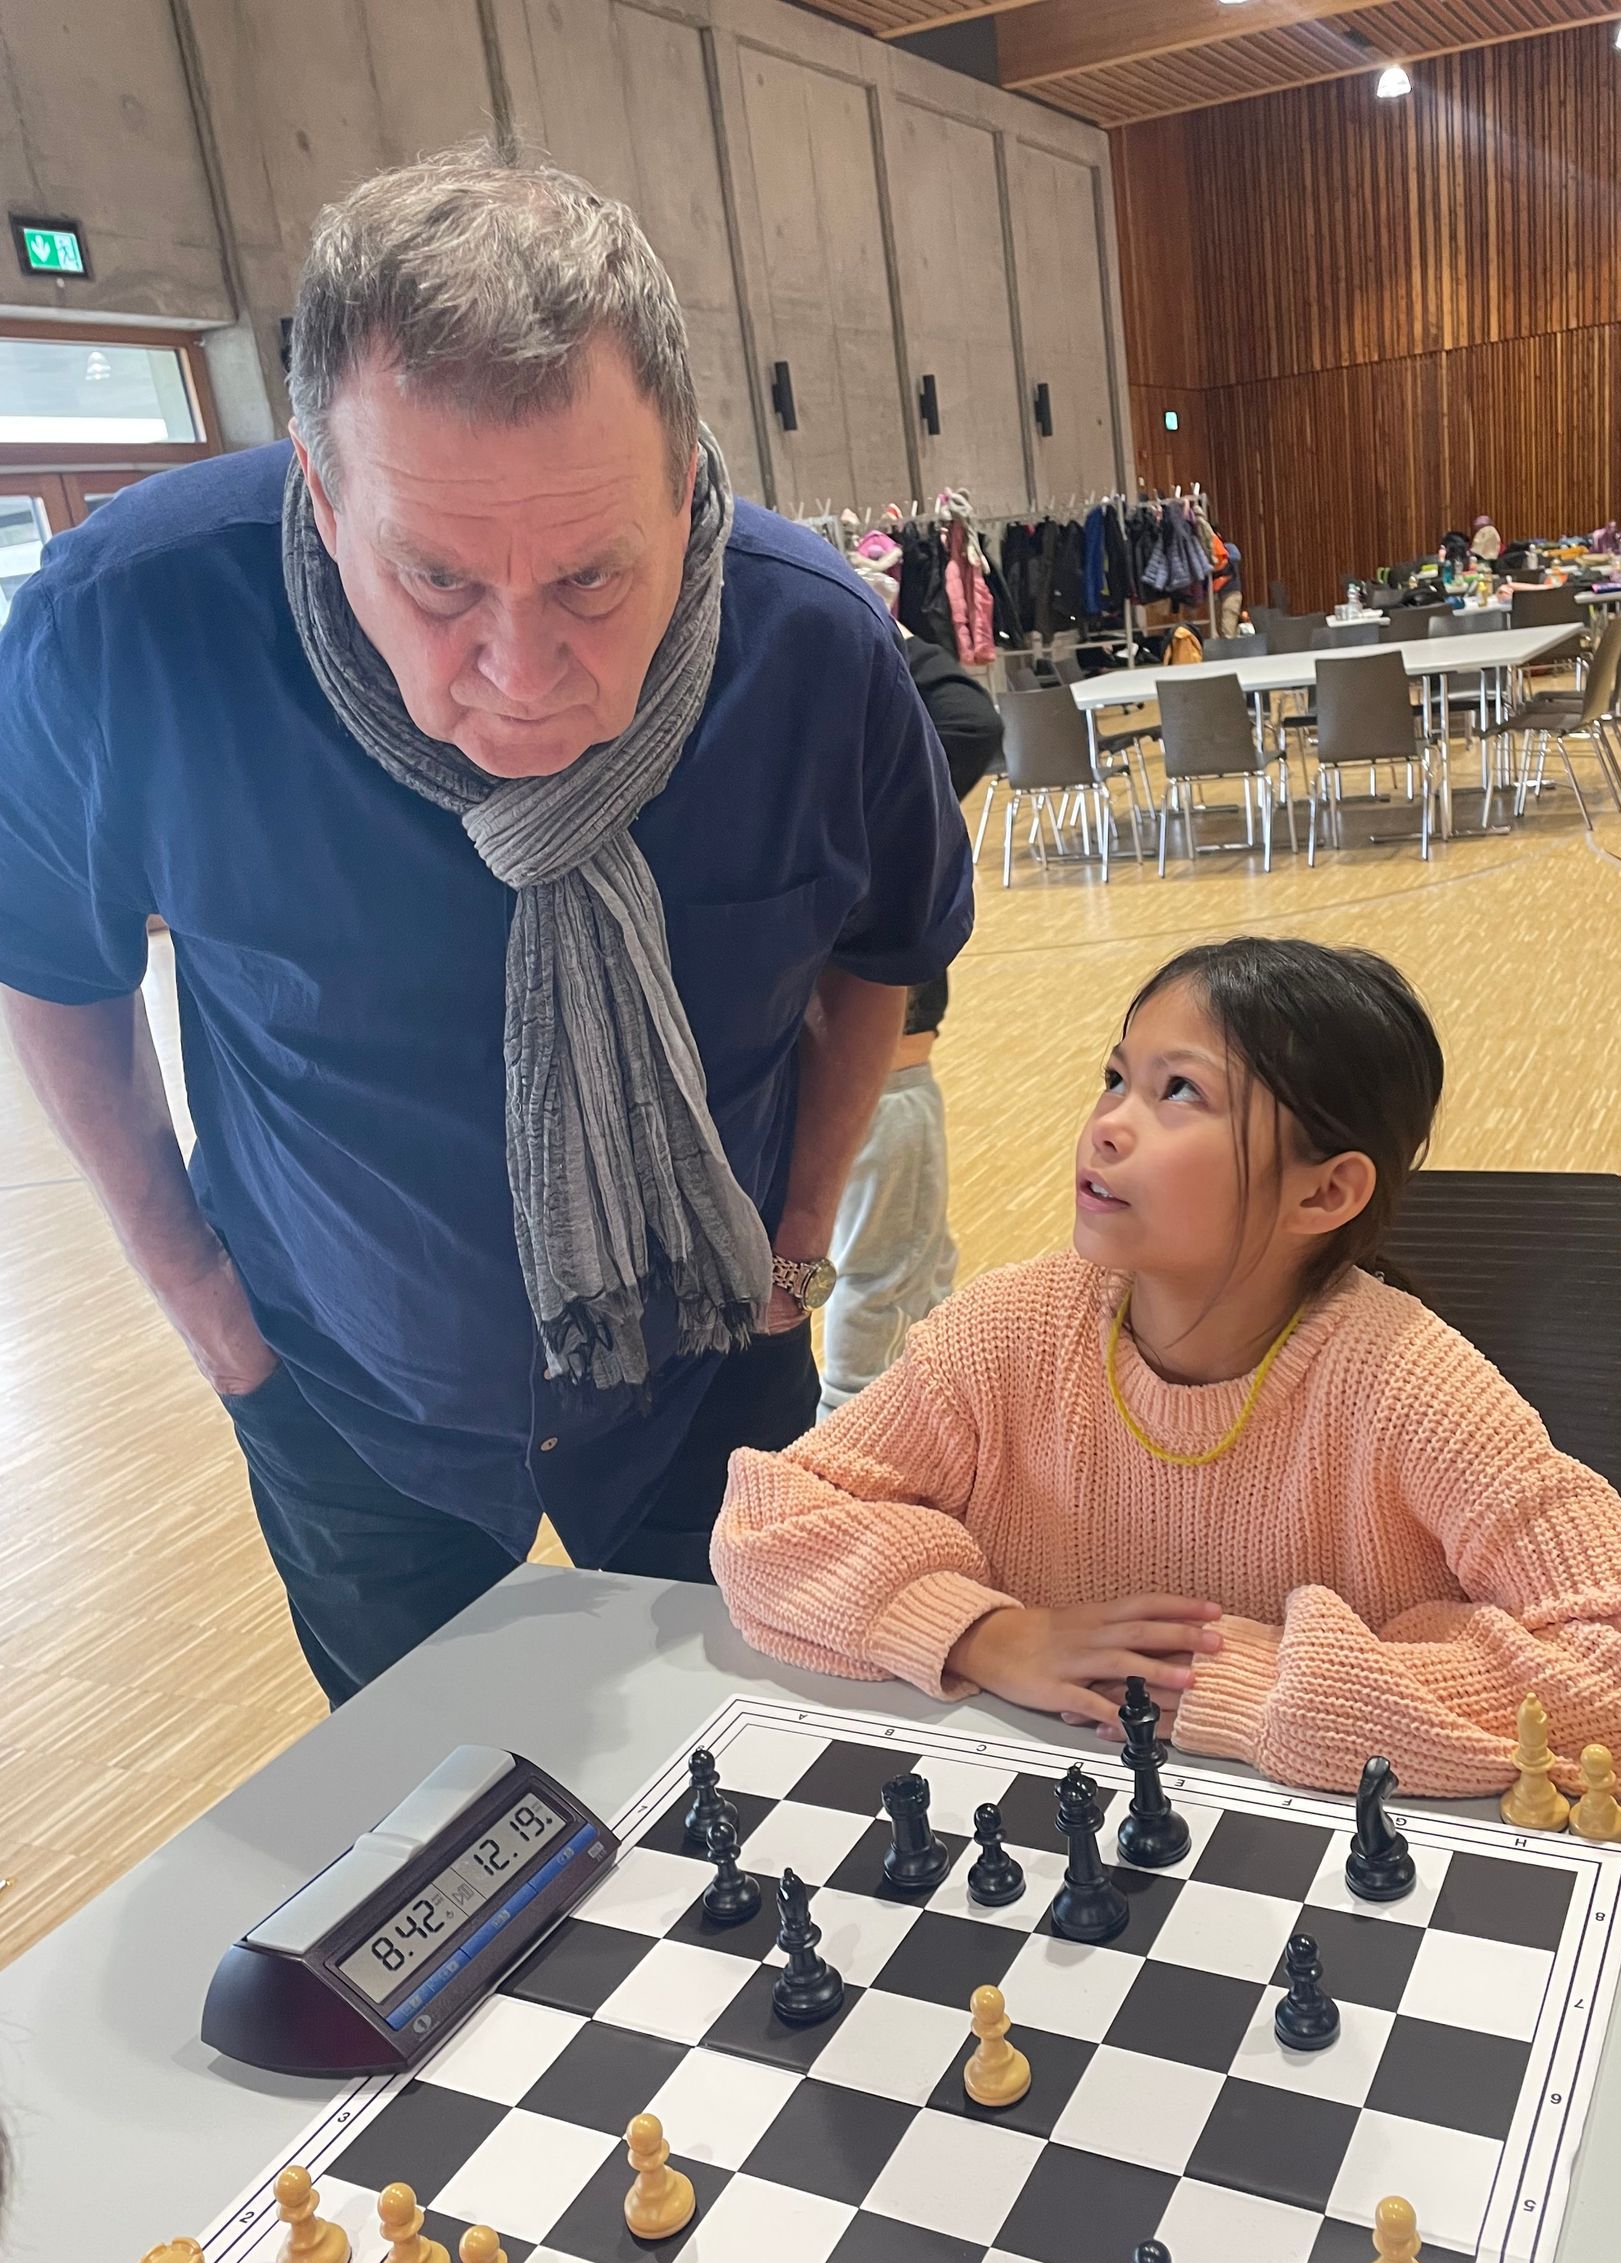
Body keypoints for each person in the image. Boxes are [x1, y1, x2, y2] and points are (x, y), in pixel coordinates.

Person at [0, 143, 971, 1708]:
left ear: (685, 486)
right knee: (442, 1815)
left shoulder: (817, 649)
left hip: (713, 1363)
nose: (520, 673)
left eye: (592, 579)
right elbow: (52, 962)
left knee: (751, 1773)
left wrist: (795, 1249)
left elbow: (887, 949)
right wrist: (204, 1310)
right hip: (342, 1398)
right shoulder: (125, 629)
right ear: (323, 500)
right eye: (437, 582)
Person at [712, 937, 1621, 1795]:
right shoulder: (1012, 1328)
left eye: (1179, 1092)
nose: (1107, 1126)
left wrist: (1261, 1686)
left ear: (1325, 1193)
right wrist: (986, 1632)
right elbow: (768, 1519)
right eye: (1116, 1078)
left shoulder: (1410, 1385)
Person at [819, 633, 1001, 1417]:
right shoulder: (852, 786)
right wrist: (884, 629)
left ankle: (935, 1433)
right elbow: (970, 722)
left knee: (915, 1265)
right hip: (883, 1069)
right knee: (884, 1275)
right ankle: (851, 1441)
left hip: (818, 1057)